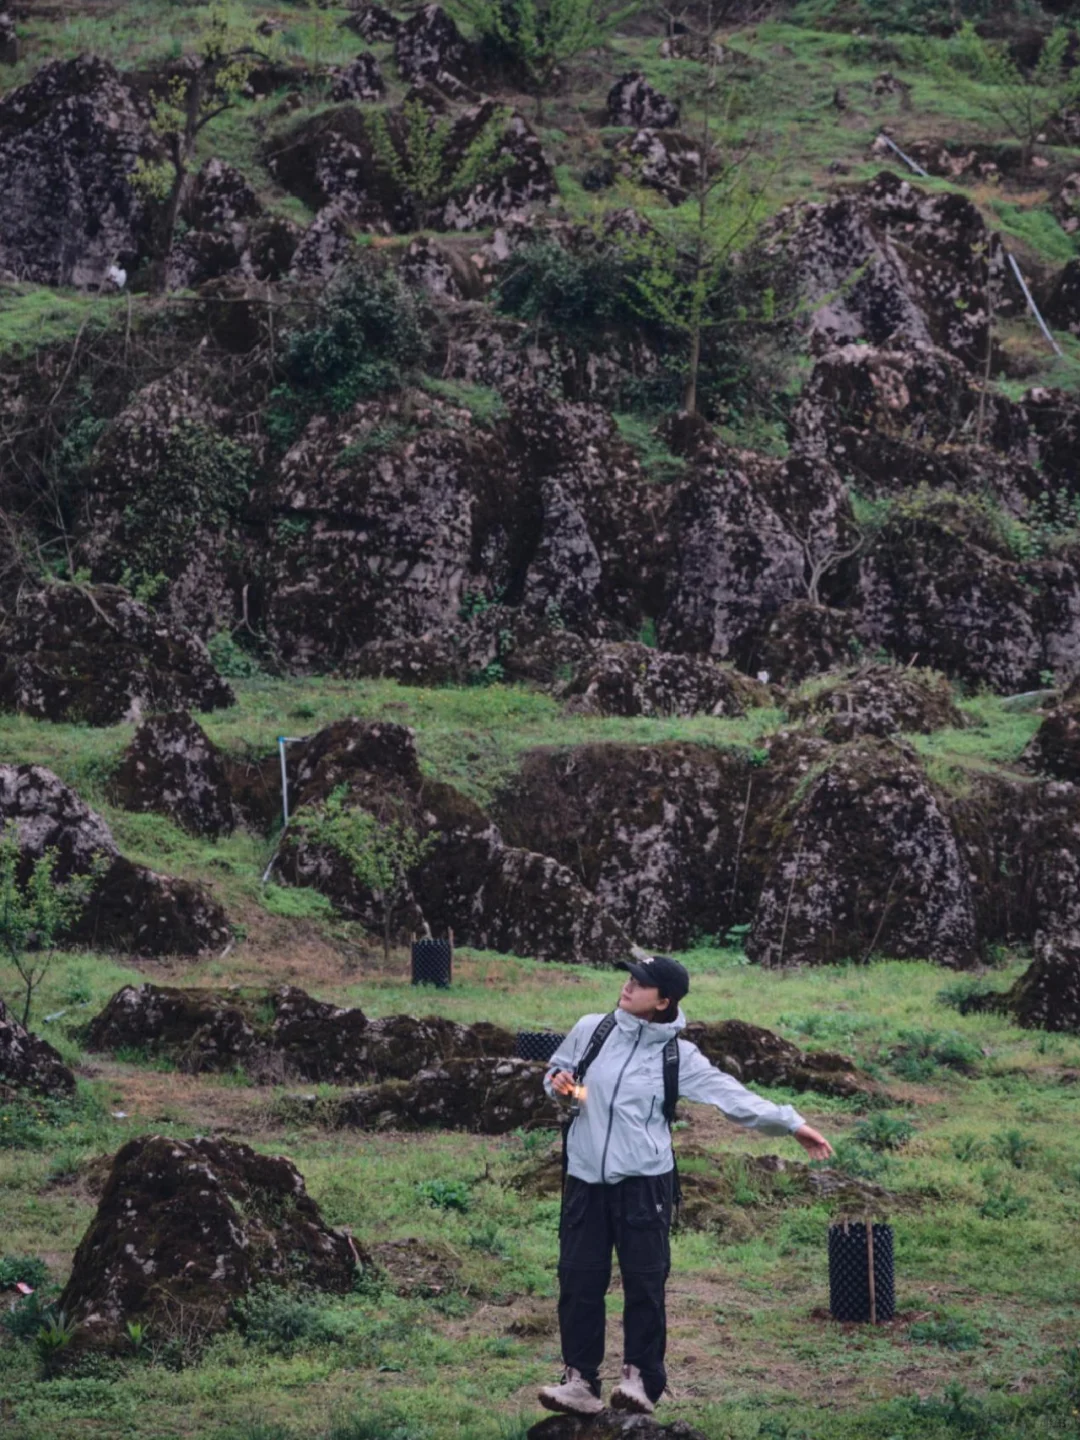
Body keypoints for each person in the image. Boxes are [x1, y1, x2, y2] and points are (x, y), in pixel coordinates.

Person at [538, 954, 834, 1418]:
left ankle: (640, 1379)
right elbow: (566, 1078)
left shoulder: (678, 1055)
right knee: (578, 1279)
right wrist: (560, 1087)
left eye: (642, 983)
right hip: (584, 1181)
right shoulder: (592, 1029)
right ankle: (579, 1380)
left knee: (644, 1282)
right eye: (630, 976)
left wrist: (791, 1123)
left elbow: (731, 1096)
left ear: (664, 1001)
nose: (629, 985)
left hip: (644, 1186)